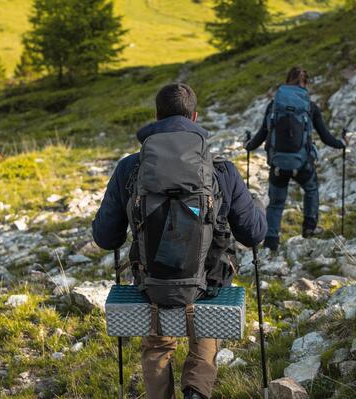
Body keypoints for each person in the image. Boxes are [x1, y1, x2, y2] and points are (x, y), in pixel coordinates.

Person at [92, 83, 267, 399]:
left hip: (151, 281)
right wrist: (259, 208)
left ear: (156, 117)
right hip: (208, 283)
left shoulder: (130, 168)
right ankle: (196, 392)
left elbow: (106, 238)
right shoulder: (220, 170)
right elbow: (253, 234)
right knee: (206, 327)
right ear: (195, 117)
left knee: (156, 345)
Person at [245, 66, 349, 251]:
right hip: (302, 164)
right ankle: (309, 228)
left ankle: (271, 241)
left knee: (276, 203)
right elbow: (326, 137)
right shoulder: (309, 106)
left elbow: (262, 134)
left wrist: (248, 146)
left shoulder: (274, 105)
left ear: (287, 80)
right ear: (305, 83)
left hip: (278, 163)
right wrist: (342, 143)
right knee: (311, 190)